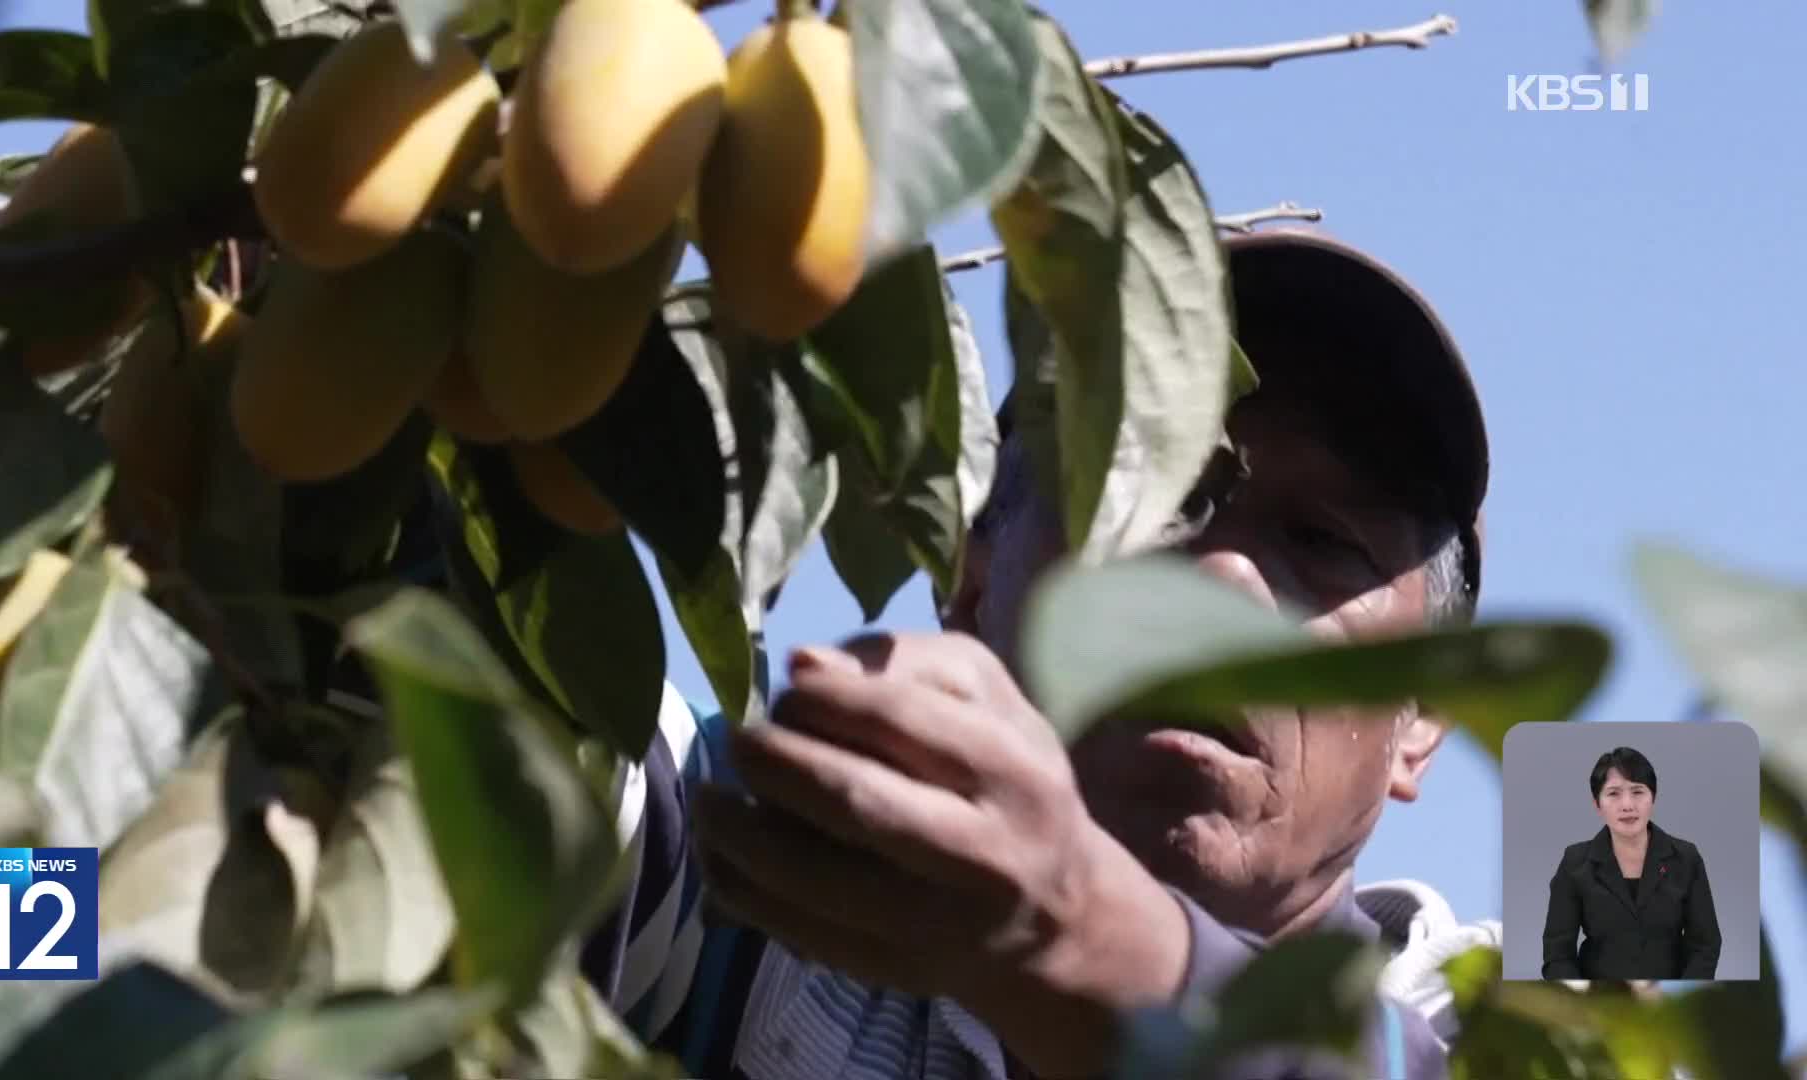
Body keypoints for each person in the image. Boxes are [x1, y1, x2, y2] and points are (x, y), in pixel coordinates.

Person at [565, 228, 1504, 1080]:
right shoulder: (731, 877)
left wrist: (1077, 935)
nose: (1222, 583)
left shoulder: (1529, 1025)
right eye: (1144, 500)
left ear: (1421, 716)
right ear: (970, 588)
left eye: (1324, 542)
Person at [1540, 746, 1722, 981]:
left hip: (1668, 1001)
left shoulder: (1685, 858)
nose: (1627, 805)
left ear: (1653, 798)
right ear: (1597, 804)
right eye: (1613, 793)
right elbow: (1557, 954)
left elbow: (1706, 944)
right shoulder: (1575, 862)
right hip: (1596, 1001)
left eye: (1637, 792)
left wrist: (1682, 992)